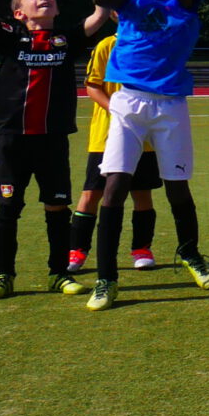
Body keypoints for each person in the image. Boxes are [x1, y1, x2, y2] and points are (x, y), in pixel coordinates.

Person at [83, 0, 209, 311]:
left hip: (170, 104)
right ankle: (106, 277)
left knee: (177, 186)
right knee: (115, 185)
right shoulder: (131, 1)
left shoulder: (187, 0)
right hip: (128, 101)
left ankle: (189, 253)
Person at [0, 0, 106, 299]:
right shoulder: (10, 35)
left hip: (52, 140)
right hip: (12, 139)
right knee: (8, 208)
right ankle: (3, 276)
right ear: (19, 12)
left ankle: (59, 274)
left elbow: (102, 8)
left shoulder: (67, 38)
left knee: (57, 209)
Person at [66, 25, 162, 274]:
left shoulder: (155, 42)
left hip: (145, 136)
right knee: (92, 193)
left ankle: (141, 248)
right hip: (107, 135)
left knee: (141, 192)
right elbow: (92, 86)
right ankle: (77, 250)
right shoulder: (106, 45)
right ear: (116, 12)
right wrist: (118, 111)